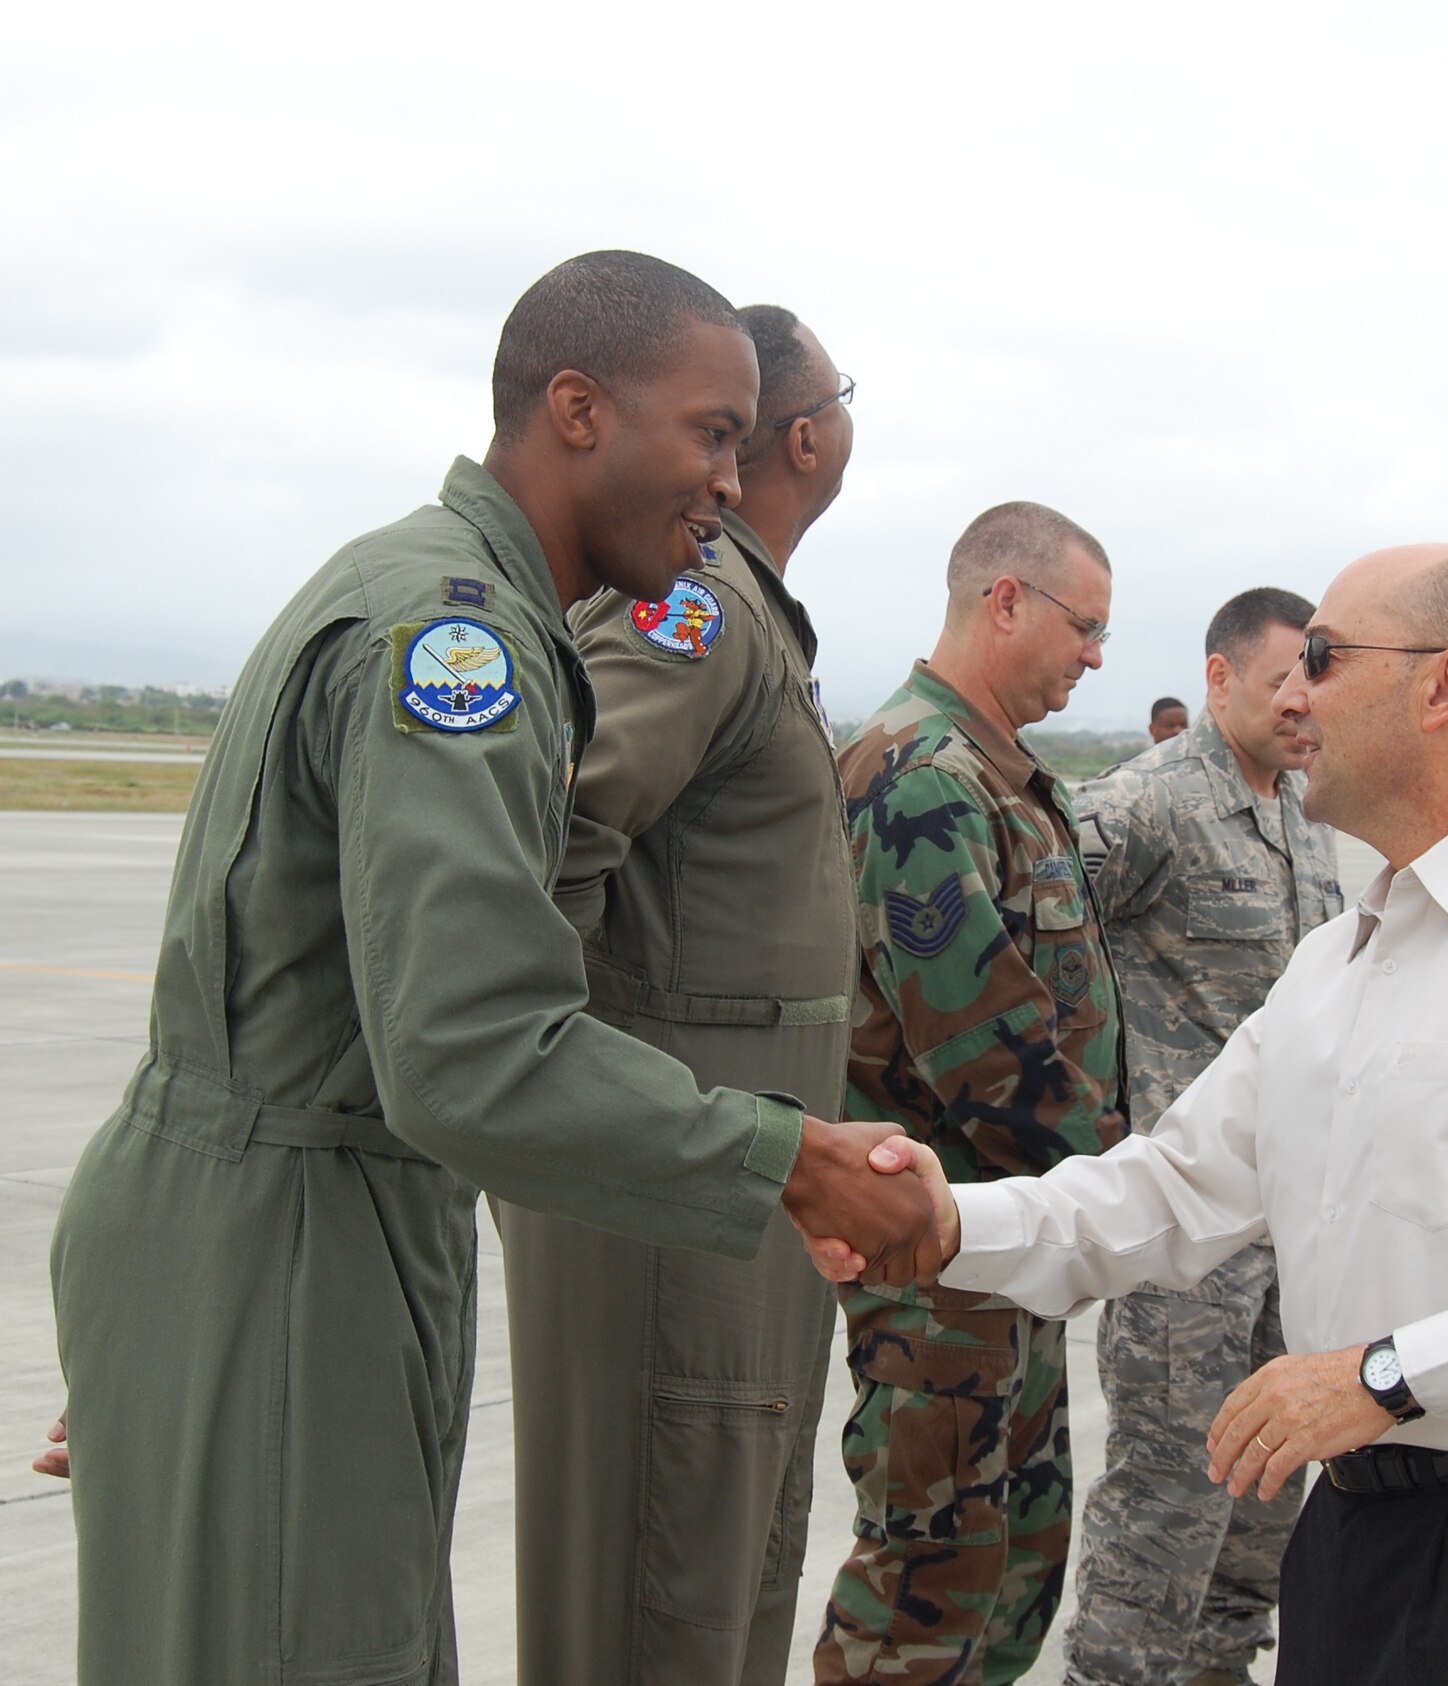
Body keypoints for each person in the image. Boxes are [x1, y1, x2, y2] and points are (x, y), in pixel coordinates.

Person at [41, 252, 935, 1686]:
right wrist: (786, 1158)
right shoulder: (456, 642)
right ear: (578, 409)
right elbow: (469, 1043)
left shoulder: (426, 586)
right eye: (709, 430)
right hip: (292, 1234)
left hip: (266, 1225)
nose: (730, 474)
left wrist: (184, 1303)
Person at [815, 543, 1448, 1686]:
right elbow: (1170, 1186)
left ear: (1444, 684)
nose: (1293, 693)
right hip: (1357, 1537)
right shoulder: (1340, 957)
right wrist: (943, 1220)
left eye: (1322, 658)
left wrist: (1380, 1374)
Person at [493, 304, 858, 1685]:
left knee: (723, 1581)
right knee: (660, 1588)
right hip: (671, 1190)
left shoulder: (746, 610)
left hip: (734, 1181)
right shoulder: (693, 615)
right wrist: (580, 1090)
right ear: (811, 433)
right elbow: (544, 845)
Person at [816, 501, 1129, 1686]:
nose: (1093, 656)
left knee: (1010, 1576)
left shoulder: (997, 772)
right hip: (939, 1268)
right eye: (1083, 626)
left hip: (1010, 1251)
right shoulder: (922, 776)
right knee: (922, 1597)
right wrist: (1128, 1190)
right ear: (1005, 599)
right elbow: (984, 1053)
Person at [1063, 586, 1342, 1686]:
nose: (1299, 700)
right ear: (1217, 677)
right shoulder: (1142, 805)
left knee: (1260, 1523)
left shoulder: (1304, 809)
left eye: (1312, 678)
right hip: (1189, 1241)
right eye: (1279, 678)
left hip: (1293, 1231)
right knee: (1162, 1517)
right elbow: (1028, 945)